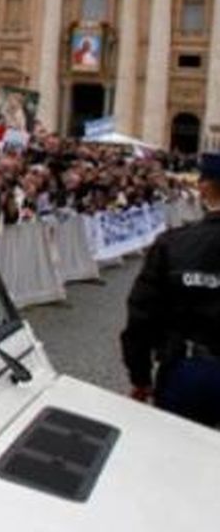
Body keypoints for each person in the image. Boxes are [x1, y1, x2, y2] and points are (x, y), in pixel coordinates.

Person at [121, 152, 220, 427]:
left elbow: (141, 317)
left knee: (177, 459)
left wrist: (140, 377)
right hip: (190, 365)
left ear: (203, 188)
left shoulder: (173, 244)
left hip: (188, 370)